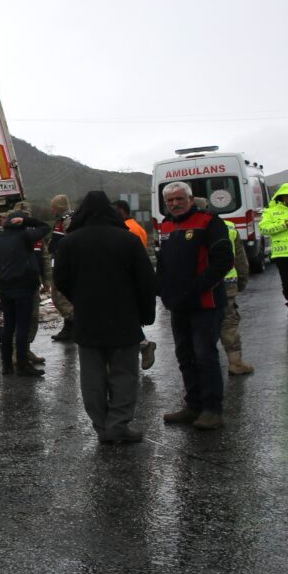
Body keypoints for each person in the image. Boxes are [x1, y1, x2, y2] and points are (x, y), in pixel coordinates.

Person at [53, 191, 157, 444]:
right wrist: (145, 314)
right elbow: (145, 281)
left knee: (92, 377)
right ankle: (118, 425)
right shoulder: (128, 240)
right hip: (124, 317)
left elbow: (61, 280)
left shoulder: (69, 242)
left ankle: (101, 427)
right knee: (124, 374)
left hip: (88, 319)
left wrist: (80, 298)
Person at [156, 181, 234, 431]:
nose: (175, 204)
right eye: (170, 201)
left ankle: (212, 409)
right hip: (178, 305)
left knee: (205, 356)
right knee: (185, 356)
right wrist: (163, 290)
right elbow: (162, 263)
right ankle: (193, 405)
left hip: (205, 303)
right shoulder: (166, 226)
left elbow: (223, 261)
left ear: (190, 199)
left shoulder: (209, 222)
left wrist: (195, 288)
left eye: (180, 199)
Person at [194, 197, 254, 376]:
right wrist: (241, 280)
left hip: (195, 285)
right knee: (228, 321)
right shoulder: (228, 226)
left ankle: (201, 365)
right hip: (226, 283)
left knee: (200, 323)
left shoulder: (181, 229)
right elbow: (240, 258)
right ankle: (235, 362)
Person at [0, 208, 51, 377]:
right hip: (24, 287)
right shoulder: (25, 236)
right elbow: (45, 227)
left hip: (5, 287)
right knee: (23, 326)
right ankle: (22, 364)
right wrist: (28, 221)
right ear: (21, 223)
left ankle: (7, 365)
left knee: (9, 326)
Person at [115, 198, 158, 371]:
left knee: (126, 320)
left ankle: (142, 347)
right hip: (133, 277)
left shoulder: (128, 229)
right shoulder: (135, 226)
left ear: (122, 211)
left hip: (129, 279)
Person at [259, 182, 288, 318]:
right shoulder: (270, 211)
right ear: (281, 197)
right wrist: (285, 225)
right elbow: (264, 229)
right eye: (287, 196)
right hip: (283, 253)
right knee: (287, 283)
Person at [48, 194, 76, 342]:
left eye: (53, 206)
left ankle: (73, 326)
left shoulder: (68, 221)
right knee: (57, 297)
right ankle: (70, 326)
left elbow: (71, 243)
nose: (51, 209)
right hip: (58, 261)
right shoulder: (61, 220)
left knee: (61, 297)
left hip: (64, 264)